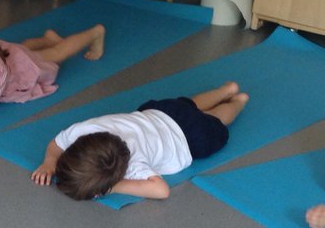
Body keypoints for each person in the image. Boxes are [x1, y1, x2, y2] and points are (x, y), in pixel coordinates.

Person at [31, 82, 248, 200]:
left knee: (217, 119)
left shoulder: (133, 163)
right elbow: (56, 145)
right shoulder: (84, 130)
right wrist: (50, 162)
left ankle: (238, 102)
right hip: (162, 111)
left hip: (190, 137)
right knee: (189, 104)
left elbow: (161, 190)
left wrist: (113, 187)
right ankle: (225, 90)